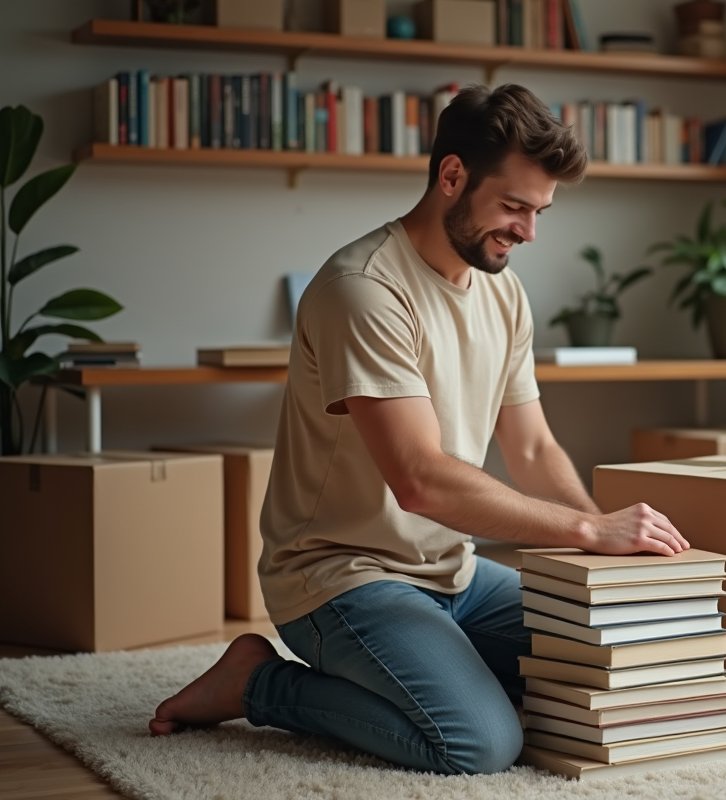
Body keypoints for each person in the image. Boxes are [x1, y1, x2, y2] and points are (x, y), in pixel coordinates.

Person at [147, 84, 689, 775]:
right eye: (515, 207)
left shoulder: (503, 291)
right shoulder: (364, 291)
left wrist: (603, 554)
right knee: (480, 743)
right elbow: (419, 479)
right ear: (452, 176)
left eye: (539, 211)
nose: (528, 231)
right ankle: (256, 682)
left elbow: (531, 447)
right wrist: (587, 531)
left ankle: (433, 668)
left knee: (595, 671)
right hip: (342, 577)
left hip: (453, 571)